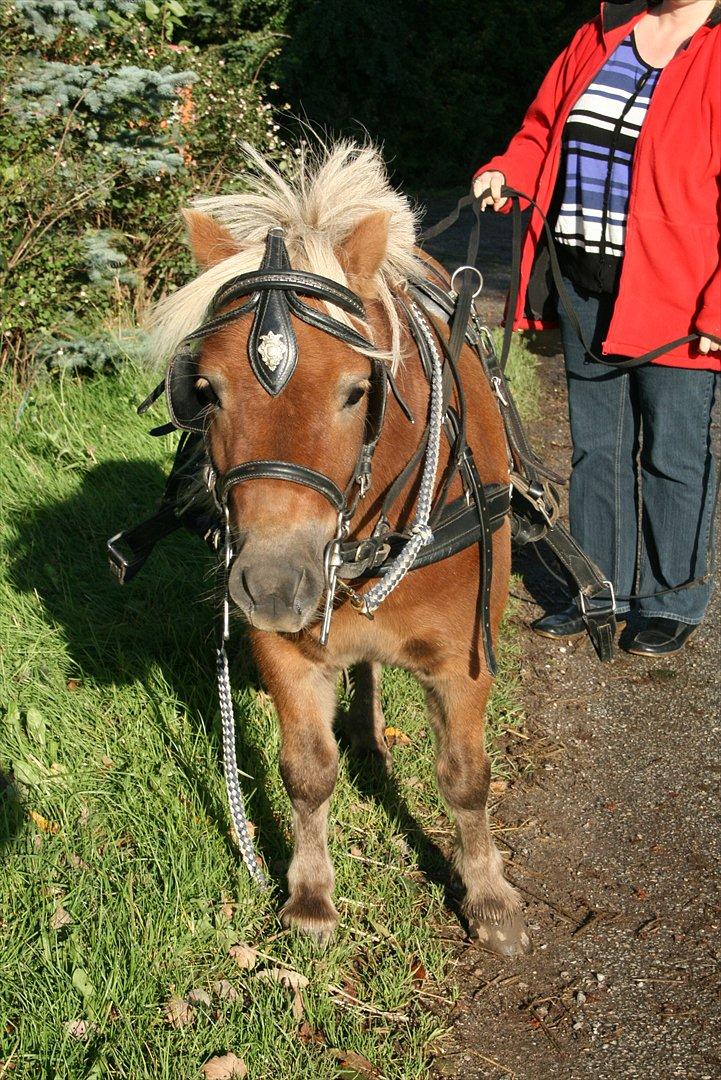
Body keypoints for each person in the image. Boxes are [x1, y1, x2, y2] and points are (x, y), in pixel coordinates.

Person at [474, 0, 720, 656]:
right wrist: (508, 171)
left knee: (671, 452)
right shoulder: (600, 33)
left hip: (679, 297)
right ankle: (596, 590)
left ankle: (672, 599)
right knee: (598, 448)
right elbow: (542, 130)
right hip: (585, 282)